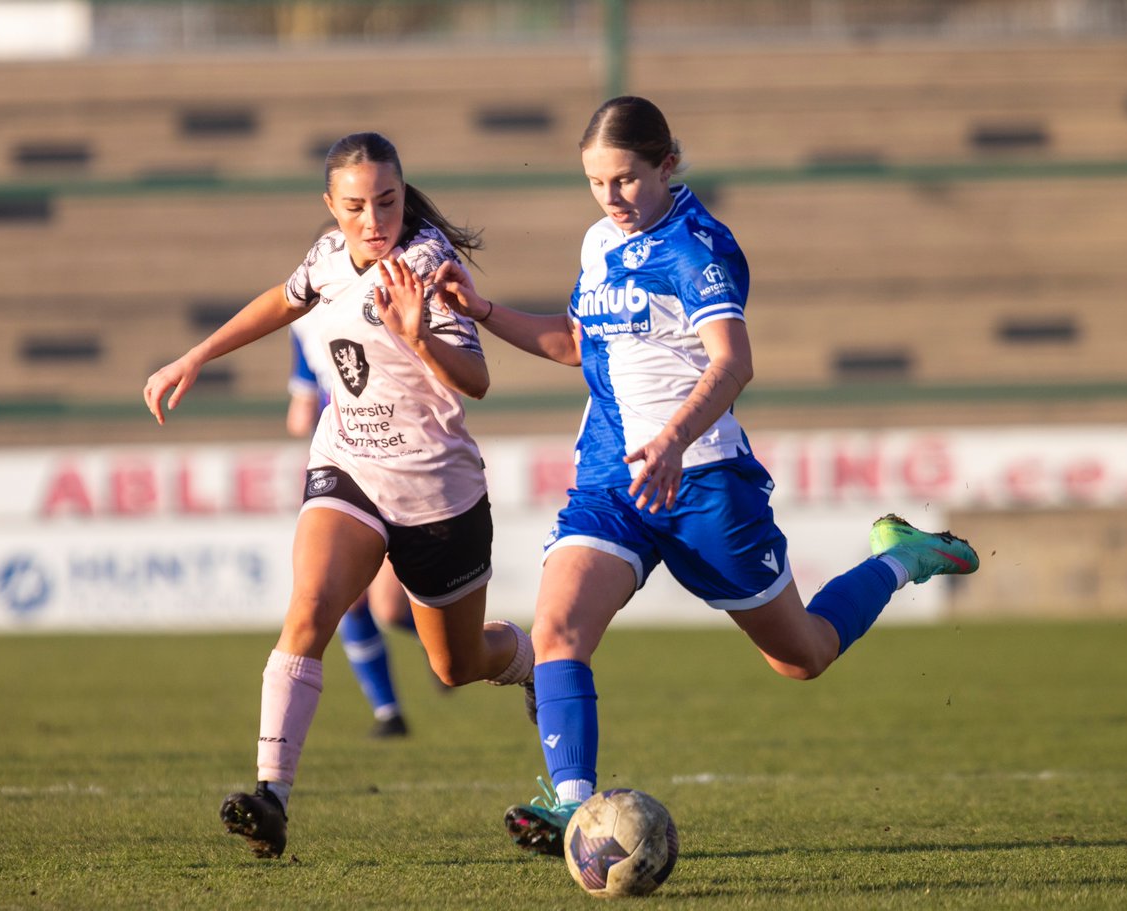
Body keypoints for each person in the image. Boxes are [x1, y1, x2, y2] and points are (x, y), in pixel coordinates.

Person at [430, 96, 980, 858]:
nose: (611, 199)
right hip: (613, 483)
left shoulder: (698, 248)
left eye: (624, 180)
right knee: (558, 629)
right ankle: (574, 808)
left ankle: (902, 556)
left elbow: (734, 361)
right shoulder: (598, 242)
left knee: (802, 656)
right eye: (595, 182)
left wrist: (674, 441)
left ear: (667, 164)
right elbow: (573, 342)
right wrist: (484, 308)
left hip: (705, 484)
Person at [143, 131, 534, 860]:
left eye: (386, 200)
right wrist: (194, 355)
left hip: (437, 492)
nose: (373, 218)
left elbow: (475, 381)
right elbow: (282, 300)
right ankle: (271, 796)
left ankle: (530, 659)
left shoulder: (424, 268)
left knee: (456, 664)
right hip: (348, 466)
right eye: (355, 205)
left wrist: (420, 335)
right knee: (311, 606)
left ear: (401, 192)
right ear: (331, 205)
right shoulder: (328, 255)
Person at [287, 313, 431, 739]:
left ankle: (446, 644)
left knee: (388, 606)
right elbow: (302, 405)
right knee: (347, 598)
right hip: (340, 469)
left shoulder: (377, 305)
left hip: (393, 465)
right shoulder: (303, 321)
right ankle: (389, 713)